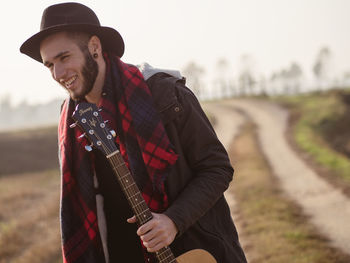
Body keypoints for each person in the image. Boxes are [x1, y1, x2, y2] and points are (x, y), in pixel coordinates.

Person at [20, 2, 247, 263]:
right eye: (49, 65)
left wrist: (174, 220)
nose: (58, 73)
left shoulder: (164, 94)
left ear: (94, 47)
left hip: (196, 251)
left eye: (64, 57)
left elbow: (217, 168)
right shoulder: (71, 123)